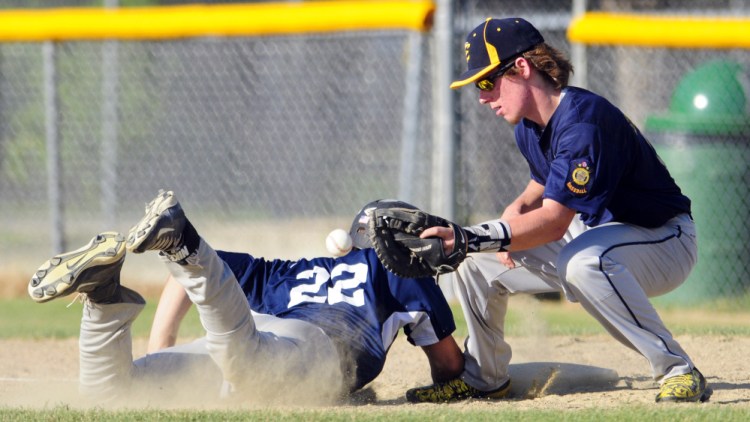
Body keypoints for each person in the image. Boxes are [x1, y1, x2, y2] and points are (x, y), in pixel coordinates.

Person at [405, 17, 711, 404]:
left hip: (663, 240)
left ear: (521, 67)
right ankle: (485, 378)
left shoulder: (584, 121)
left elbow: (553, 222)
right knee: (475, 260)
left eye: (486, 81)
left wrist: (470, 234)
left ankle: (678, 369)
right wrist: (516, 207)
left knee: (580, 263)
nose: (482, 96)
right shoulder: (529, 125)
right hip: (597, 238)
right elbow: (548, 180)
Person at [28, 190, 464, 405]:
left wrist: (161, 347)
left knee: (112, 393)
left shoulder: (297, 269)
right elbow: (449, 369)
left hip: (264, 336)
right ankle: (185, 243)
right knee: (245, 355)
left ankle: (104, 301)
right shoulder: (402, 274)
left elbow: (193, 278)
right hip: (310, 350)